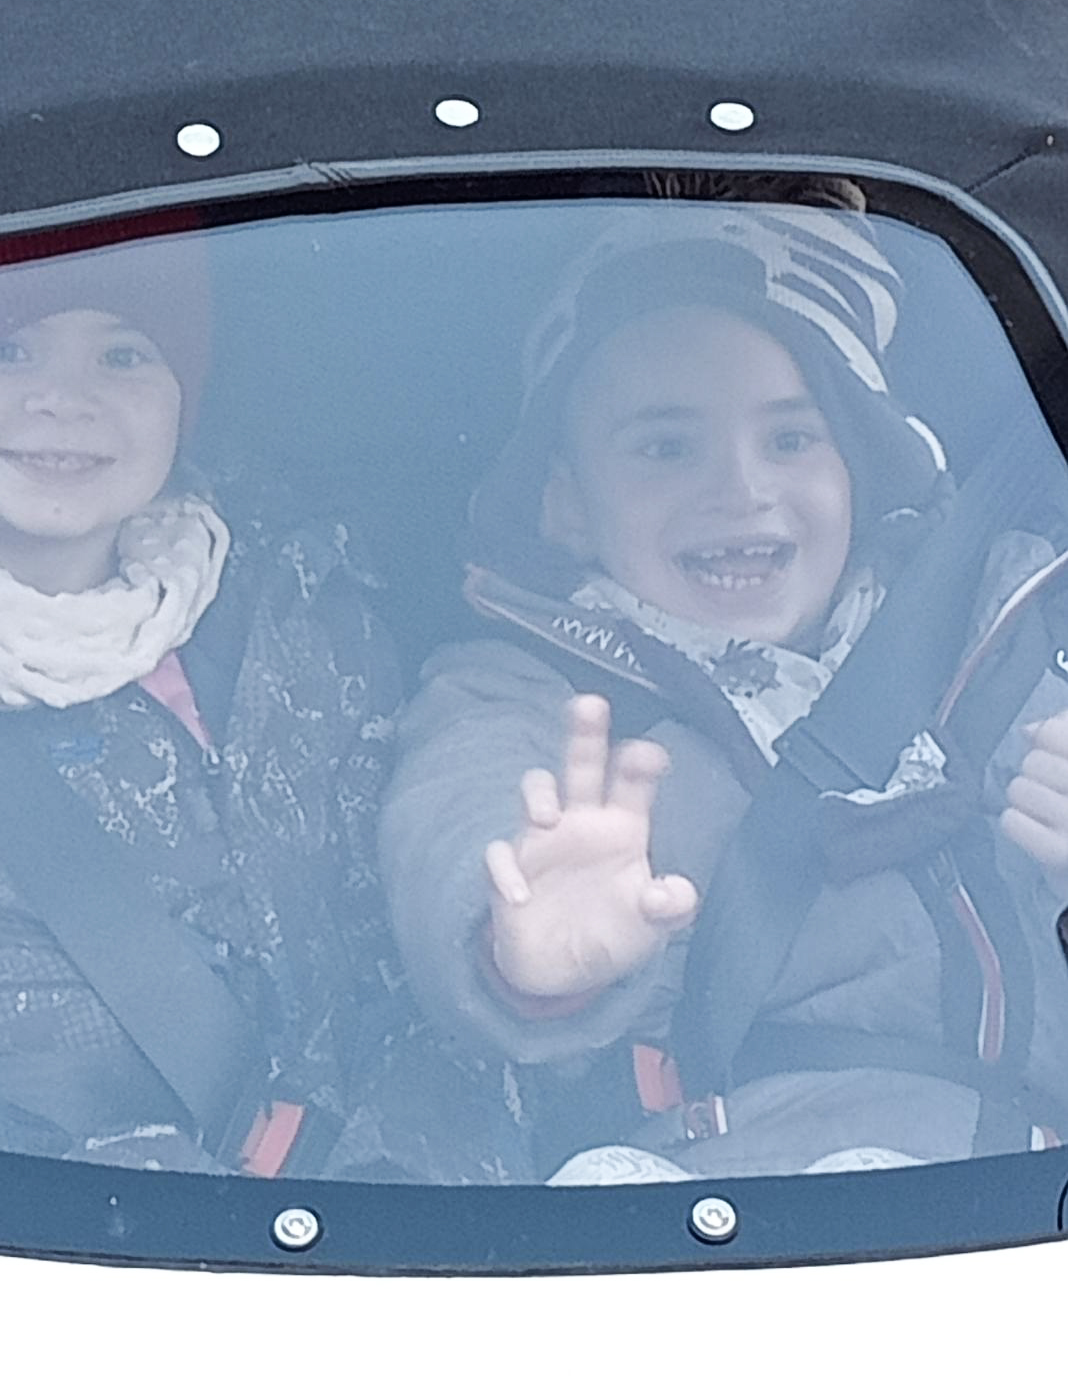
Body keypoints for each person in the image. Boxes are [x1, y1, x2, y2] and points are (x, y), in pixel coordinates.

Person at [379, 186, 1068, 1181]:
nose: (740, 489)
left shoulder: (1016, 621)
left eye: (791, 439)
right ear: (566, 502)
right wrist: (517, 944)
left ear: (862, 463)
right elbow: (458, 808)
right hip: (738, 1191)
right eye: (666, 447)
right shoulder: (525, 693)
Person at [0, 237, 415, 1176]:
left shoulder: (310, 618)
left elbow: (397, 983)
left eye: (123, 354)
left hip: (363, 1220)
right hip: (15, 1239)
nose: (65, 398)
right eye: (6, 348)